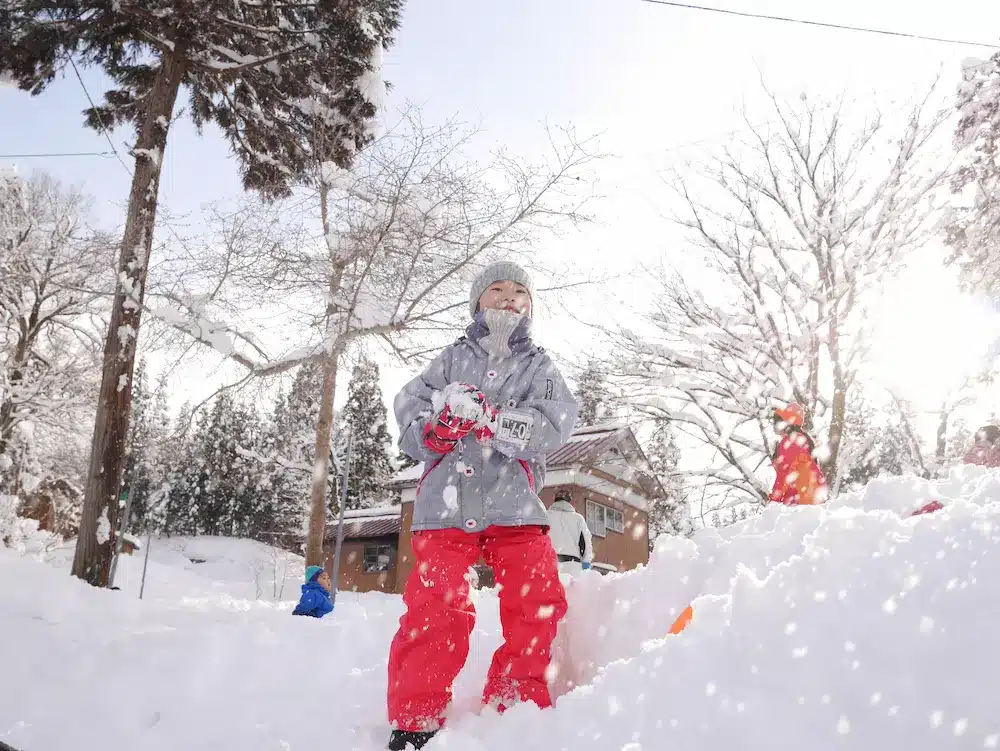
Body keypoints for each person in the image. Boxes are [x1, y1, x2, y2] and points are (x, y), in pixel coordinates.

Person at [386, 261, 579, 751]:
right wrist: (442, 425)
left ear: (530, 306)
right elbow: (411, 413)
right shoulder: (449, 360)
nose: (509, 297)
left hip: (515, 503)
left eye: (519, 292)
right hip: (447, 507)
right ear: (477, 301)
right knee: (436, 607)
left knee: (536, 600)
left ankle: (515, 699)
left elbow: (554, 426)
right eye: (497, 289)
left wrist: (492, 419)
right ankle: (416, 717)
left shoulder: (540, 367)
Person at [769, 402, 828, 506]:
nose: (776, 426)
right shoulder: (803, 439)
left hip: (800, 501)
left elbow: (784, 475)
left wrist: (773, 502)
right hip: (810, 498)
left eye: (779, 421)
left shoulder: (791, 442)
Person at [546, 490, 594, 576]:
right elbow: (586, 543)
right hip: (573, 566)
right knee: (572, 589)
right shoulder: (578, 519)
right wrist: (586, 563)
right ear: (569, 501)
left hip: (549, 563)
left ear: (555, 500)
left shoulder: (546, 516)